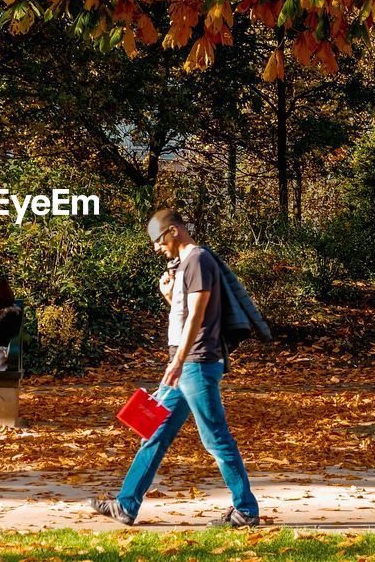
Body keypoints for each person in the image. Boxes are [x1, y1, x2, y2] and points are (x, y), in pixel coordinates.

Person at [90, 209, 260, 528]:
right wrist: (169, 297)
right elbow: (192, 313)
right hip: (183, 363)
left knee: (215, 438)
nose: (156, 247)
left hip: (196, 363)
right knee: (153, 432)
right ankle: (126, 505)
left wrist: (179, 361)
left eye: (157, 240)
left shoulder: (197, 260)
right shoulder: (187, 266)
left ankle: (246, 510)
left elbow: (198, 317)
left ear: (173, 232)